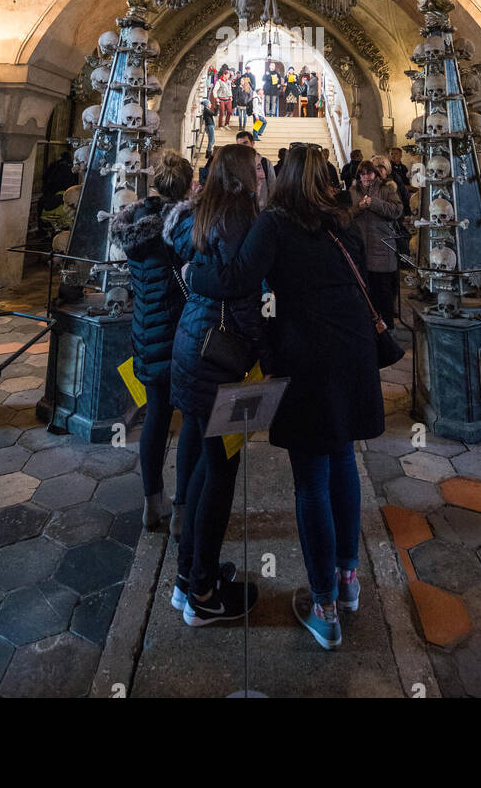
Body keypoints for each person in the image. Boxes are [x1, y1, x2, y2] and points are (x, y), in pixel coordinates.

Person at [184, 145, 385, 651]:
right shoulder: (343, 224)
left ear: (285, 179)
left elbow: (237, 281)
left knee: (312, 480)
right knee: (344, 463)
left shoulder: (275, 223)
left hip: (309, 363)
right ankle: (347, 581)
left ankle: (323, 608)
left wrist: (192, 273)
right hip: (353, 358)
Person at [163, 144, 264, 624]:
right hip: (220, 358)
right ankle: (203, 595)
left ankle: (189, 578)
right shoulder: (241, 220)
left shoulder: (204, 215)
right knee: (221, 472)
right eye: (259, 168)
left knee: (206, 465)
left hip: (193, 346)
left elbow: (202, 274)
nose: (263, 174)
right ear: (245, 175)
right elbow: (234, 284)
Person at [109, 152, 202, 536]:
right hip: (181, 333)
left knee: (156, 419)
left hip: (146, 331)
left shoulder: (132, 223)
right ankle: (182, 510)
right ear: (186, 185)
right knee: (193, 420)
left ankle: (151, 503)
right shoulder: (182, 224)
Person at [349, 158, 402, 325]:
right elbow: (348, 214)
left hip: (382, 247)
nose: (367, 177)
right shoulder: (353, 191)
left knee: (384, 292)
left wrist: (374, 203)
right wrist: (359, 207)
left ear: (376, 173)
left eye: (369, 173)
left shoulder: (387, 188)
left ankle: (388, 328)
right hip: (362, 249)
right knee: (366, 292)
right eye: (363, 174)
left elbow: (397, 210)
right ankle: (371, 326)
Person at [236, 128, 276, 209]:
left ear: (253, 143)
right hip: (243, 212)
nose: (243, 147)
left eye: (245, 143)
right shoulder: (236, 165)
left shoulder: (265, 163)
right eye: (239, 145)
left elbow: (273, 187)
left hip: (262, 211)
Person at [388, 147, 411, 215]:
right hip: (395, 193)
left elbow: (406, 181)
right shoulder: (389, 168)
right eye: (392, 154)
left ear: (400, 156)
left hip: (404, 193)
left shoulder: (404, 168)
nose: (393, 156)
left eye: (395, 154)